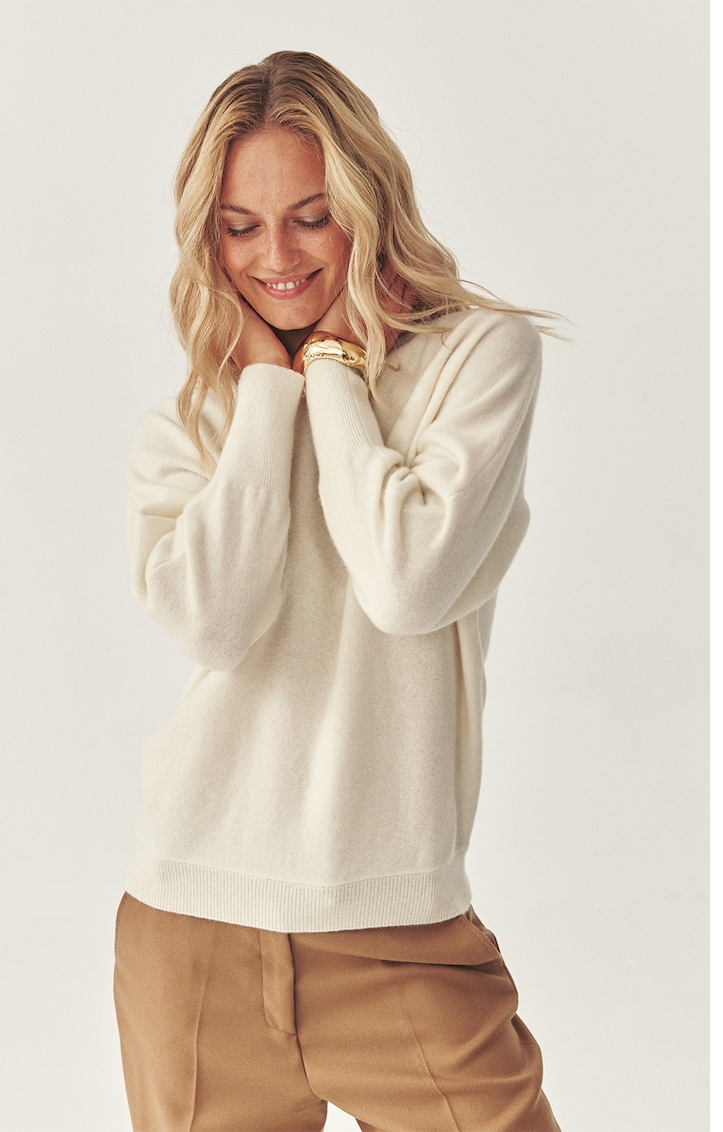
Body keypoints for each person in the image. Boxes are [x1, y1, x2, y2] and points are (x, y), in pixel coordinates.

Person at [114, 49, 561, 1132]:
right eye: (241, 226)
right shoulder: (195, 421)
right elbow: (217, 626)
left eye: (311, 217)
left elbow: (408, 583)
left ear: (369, 203)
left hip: (399, 932)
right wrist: (269, 388)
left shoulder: (476, 361)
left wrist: (334, 372)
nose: (277, 257)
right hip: (192, 929)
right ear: (208, 238)